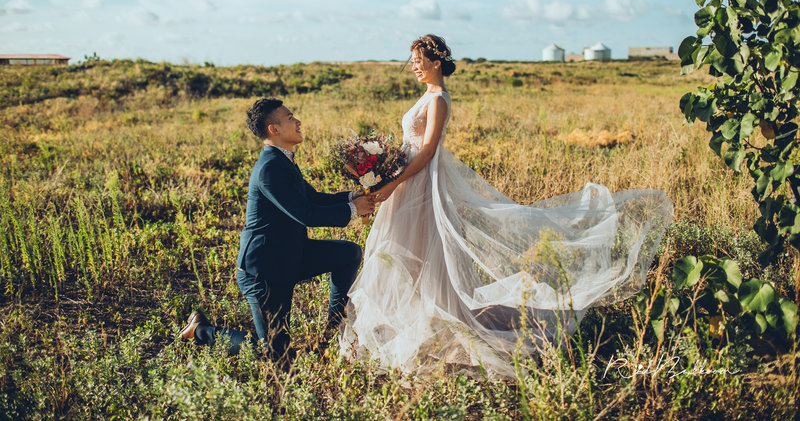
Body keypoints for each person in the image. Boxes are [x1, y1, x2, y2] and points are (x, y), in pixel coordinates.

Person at [341, 35, 673, 378]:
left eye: (417, 59)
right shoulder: (426, 95)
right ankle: (425, 323)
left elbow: (426, 153)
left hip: (419, 184)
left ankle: (451, 327)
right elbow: (410, 148)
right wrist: (381, 168)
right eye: (411, 60)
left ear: (435, 62)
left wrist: (393, 181)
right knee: (404, 253)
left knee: (420, 254)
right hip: (406, 182)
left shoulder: (438, 99)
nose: (412, 65)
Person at [180, 98, 375, 365]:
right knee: (276, 356)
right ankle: (202, 331)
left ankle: (332, 334)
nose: (298, 122)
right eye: (290, 118)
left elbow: (313, 199)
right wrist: (353, 210)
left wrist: (353, 196)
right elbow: (304, 214)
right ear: (274, 130)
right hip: (264, 272)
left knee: (348, 253)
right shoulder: (270, 168)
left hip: (292, 255)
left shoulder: (283, 161)